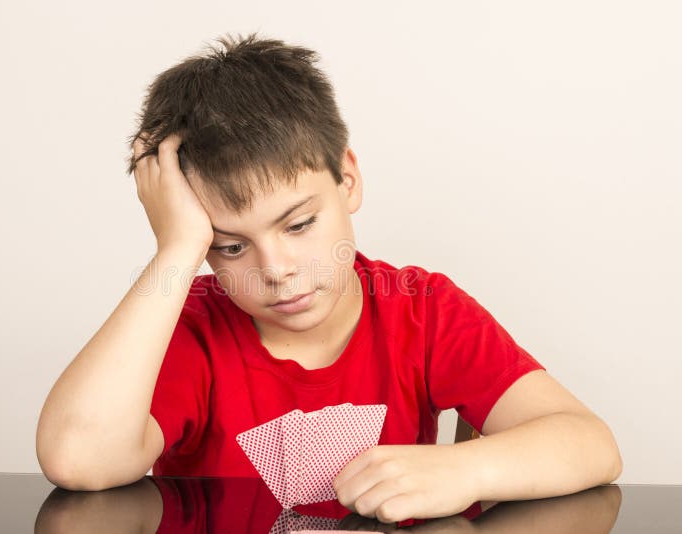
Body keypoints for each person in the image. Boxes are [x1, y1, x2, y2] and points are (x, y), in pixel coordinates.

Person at [36, 32, 622, 522]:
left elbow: (591, 444)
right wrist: (177, 249)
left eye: (298, 225)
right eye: (230, 245)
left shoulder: (422, 311)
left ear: (347, 179)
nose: (277, 271)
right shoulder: (192, 330)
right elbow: (78, 459)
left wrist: (467, 468)